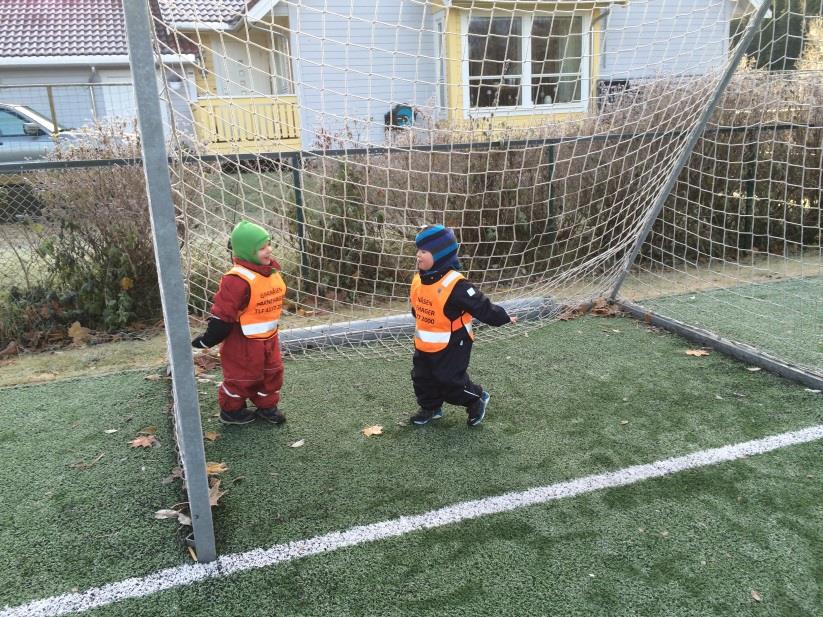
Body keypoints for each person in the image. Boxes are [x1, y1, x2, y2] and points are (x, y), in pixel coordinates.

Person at [409, 225, 516, 427]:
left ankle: (476, 399)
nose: (418, 255)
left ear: (440, 255)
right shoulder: (418, 281)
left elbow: (482, 306)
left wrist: (503, 317)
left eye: (424, 251)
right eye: (418, 250)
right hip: (424, 344)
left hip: (454, 343)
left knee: (450, 381)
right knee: (422, 378)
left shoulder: (456, 285)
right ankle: (430, 408)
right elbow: (417, 308)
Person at [191, 220, 286, 426]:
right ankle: (231, 411)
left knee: (273, 372)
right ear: (246, 251)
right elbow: (223, 315)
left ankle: (266, 405)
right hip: (242, 342)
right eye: (261, 247)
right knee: (242, 377)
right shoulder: (236, 279)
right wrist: (208, 340)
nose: (268, 250)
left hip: (269, 338)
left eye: (269, 244)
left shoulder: (270, 271)